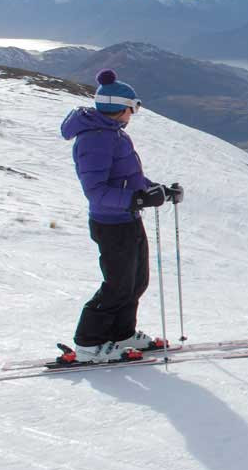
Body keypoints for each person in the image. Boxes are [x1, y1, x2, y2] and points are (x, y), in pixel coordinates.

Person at [61, 69, 182, 363]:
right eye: (133, 107)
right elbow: (96, 191)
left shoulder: (113, 134)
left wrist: (158, 191)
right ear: (120, 107)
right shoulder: (95, 140)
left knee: (137, 282)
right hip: (110, 224)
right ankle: (89, 343)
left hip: (128, 219)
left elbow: (129, 178)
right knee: (117, 285)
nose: (134, 113)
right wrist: (137, 199)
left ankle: (122, 333)